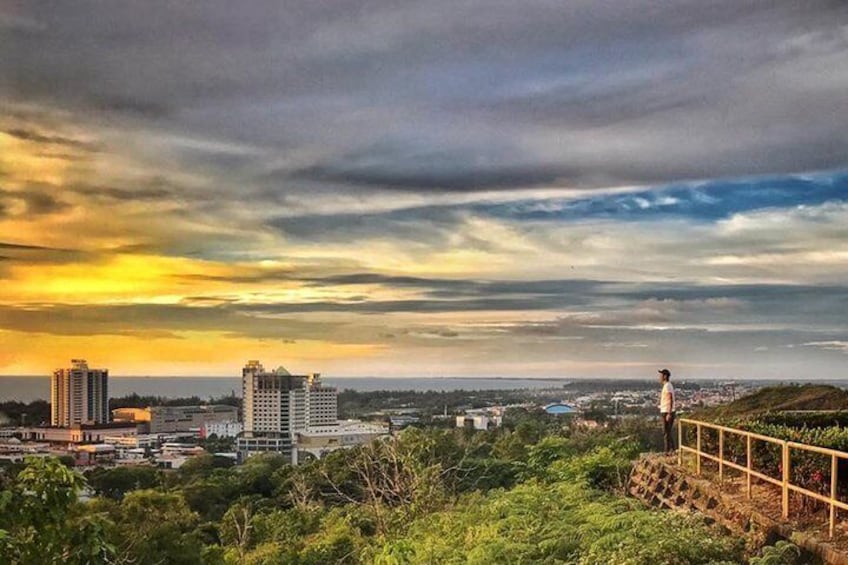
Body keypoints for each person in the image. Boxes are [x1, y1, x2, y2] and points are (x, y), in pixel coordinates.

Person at [658, 368, 675, 454]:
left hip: (667, 412)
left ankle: (667, 451)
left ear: (665, 376)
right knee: (667, 432)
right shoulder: (667, 385)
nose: (659, 377)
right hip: (665, 410)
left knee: (666, 432)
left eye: (661, 375)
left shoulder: (668, 385)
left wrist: (669, 413)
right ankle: (672, 449)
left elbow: (670, 398)